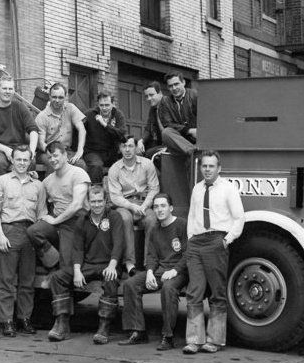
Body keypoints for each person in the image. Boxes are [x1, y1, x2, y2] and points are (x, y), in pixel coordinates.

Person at [182, 150, 244, 354]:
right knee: (194, 291)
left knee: (217, 293)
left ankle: (215, 340)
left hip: (216, 241)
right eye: (204, 166)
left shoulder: (228, 189)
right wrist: (191, 238)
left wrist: (226, 240)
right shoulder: (197, 189)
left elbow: (239, 218)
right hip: (196, 243)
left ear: (219, 168)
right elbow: (192, 216)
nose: (207, 170)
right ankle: (194, 340)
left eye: (211, 166)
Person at [47, 185, 124, 344]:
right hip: (88, 264)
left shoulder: (114, 217)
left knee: (111, 280)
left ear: (105, 201)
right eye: (93, 201)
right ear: (88, 203)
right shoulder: (82, 220)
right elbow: (78, 248)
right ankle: (62, 324)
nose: (97, 205)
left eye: (100, 201)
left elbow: (119, 244)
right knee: (58, 278)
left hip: (108, 264)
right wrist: (76, 271)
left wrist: (112, 265)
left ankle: (104, 327)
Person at [118, 192, 188, 350]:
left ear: (170, 208)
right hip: (159, 271)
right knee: (130, 284)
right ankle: (138, 332)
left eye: (163, 206)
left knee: (169, 289)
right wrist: (149, 272)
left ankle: (168, 336)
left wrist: (175, 271)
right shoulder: (155, 229)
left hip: (179, 271)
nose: (159, 210)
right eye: (156, 207)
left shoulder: (182, 225)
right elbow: (152, 256)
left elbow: (188, 254)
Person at [0, 145, 47, 337]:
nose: (22, 163)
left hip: (30, 233)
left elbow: (41, 214)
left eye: (26, 159)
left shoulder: (38, 185)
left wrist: (38, 237)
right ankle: (7, 320)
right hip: (9, 230)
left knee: (27, 281)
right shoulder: (1, 181)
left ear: (30, 161)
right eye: (18, 159)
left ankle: (24, 318)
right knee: (6, 280)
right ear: (12, 160)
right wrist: (0, 235)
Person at [27, 142, 90, 268]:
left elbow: (77, 204)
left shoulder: (78, 173)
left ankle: (61, 264)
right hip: (58, 221)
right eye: (49, 157)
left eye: (55, 155)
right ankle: (53, 261)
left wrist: (55, 221)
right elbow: (37, 190)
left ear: (65, 155)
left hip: (77, 221)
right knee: (33, 231)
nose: (52, 160)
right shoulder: (48, 180)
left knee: (67, 265)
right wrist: (33, 179)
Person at [107, 135, 159, 276]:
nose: (127, 149)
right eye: (124, 146)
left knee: (152, 219)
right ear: (120, 148)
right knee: (124, 219)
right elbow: (115, 197)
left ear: (136, 147)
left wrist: (144, 205)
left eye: (130, 146)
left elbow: (154, 188)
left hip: (144, 203)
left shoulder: (147, 164)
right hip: (124, 204)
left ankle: (148, 263)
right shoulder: (114, 169)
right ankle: (129, 263)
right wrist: (132, 206)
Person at [0, 76, 39, 175]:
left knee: (31, 161)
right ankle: (2, 189)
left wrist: (31, 151)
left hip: (20, 148)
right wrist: (6, 150)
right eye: (4, 88)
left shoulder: (20, 107)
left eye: (10, 89)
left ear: (14, 91)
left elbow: (33, 130)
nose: (8, 91)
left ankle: (26, 188)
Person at [35, 82, 87, 172]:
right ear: (49, 97)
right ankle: (52, 186)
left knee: (80, 164)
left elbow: (82, 129)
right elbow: (41, 143)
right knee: (55, 162)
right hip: (47, 151)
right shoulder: (42, 116)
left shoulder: (70, 108)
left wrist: (79, 150)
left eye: (60, 97)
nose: (57, 100)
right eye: (54, 97)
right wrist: (56, 155)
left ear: (65, 97)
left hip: (66, 151)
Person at [82, 91, 127, 183]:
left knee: (126, 164)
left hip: (111, 154)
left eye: (107, 105)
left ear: (113, 104)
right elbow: (77, 128)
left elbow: (121, 134)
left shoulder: (118, 115)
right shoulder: (89, 114)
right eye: (101, 105)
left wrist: (105, 125)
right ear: (98, 104)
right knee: (96, 166)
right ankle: (96, 192)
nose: (104, 108)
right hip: (92, 152)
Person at [159, 72, 197, 157]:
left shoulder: (195, 95)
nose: (174, 88)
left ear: (183, 82)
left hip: (198, 135)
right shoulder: (165, 101)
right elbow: (168, 124)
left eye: (176, 84)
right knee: (166, 132)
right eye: (170, 86)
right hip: (180, 139)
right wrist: (189, 130)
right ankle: (194, 152)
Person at [136, 82, 166, 160]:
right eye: (146, 96)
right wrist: (141, 141)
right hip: (160, 142)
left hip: (171, 143)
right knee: (137, 150)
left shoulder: (168, 104)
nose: (148, 99)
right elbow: (148, 128)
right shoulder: (153, 108)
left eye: (151, 95)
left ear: (160, 93)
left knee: (149, 154)